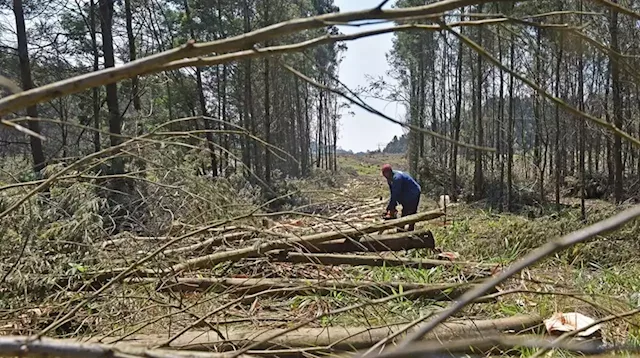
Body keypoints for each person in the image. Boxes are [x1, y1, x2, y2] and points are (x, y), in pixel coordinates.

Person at [381, 164, 421, 231]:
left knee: (409, 212)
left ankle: (407, 230)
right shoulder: (389, 179)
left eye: (385, 174)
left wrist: (389, 207)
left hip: (413, 192)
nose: (384, 176)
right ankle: (402, 228)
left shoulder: (397, 178)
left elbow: (395, 194)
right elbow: (392, 193)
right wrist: (391, 207)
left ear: (389, 172)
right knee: (405, 210)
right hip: (406, 192)